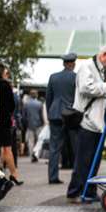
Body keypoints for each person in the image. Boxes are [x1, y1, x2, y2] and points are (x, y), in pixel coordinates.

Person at [67, 45, 106, 203]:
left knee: (94, 161)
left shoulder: (101, 69)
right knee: (83, 160)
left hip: (97, 123)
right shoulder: (87, 67)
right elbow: (85, 88)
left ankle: (89, 191)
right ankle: (75, 192)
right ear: (104, 55)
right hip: (87, 121)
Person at [46, 52, 77, 184]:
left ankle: (52, 177)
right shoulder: (76, 77)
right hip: (71, 115)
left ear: (64, 63)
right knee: (76, 147)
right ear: (73, 63)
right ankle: (77, 179)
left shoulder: (53, 77)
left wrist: (50, 113)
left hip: (55, 115)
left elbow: (48, 98)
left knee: (54, 148)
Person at [0, 63, 22, 185]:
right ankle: (13, 174)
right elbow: (12, 105)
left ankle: (1, 170)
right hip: (3, 122)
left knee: (3, 149)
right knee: (7, 149)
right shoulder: (5, 85)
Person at [22, 89, 46, 162]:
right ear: (37, 95)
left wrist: (25, 124)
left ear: (30, 95)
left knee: (30, 142)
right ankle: (36, 155)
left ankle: (32, 155)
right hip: (39, 125)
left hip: (29, 125)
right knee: (38, 141)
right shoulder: (39, 104)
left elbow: (24, 116)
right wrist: (43, 123)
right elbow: (41, 115)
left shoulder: (26, 104)